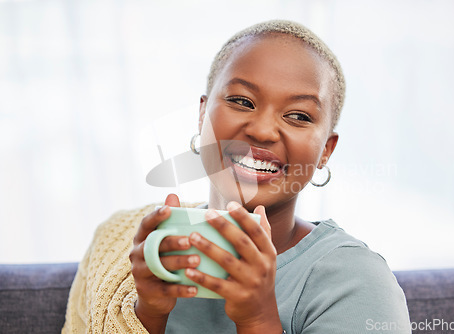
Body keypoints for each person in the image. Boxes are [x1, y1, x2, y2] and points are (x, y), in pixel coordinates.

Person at [62, 20, 411, 333]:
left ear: (325, 151)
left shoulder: (357, 282)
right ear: (202, 115)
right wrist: (147, 313)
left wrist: (257, 318)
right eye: (242, 101)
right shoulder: (123, 245)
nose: (261, 131)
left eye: (299, 116)